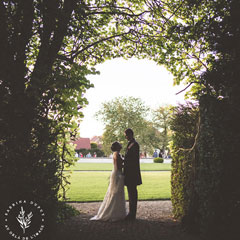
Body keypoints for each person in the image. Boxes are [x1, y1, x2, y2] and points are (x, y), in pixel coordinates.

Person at [90, 141, 126, 221]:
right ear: (117, 147)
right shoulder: (117, 154)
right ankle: (114, 212)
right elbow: (119, 165)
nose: (121, 145)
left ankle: (115, 211)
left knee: (116, 193)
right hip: (118, 174)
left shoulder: (116, 153)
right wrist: (126, 162)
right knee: (116, 192)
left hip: (117, 173)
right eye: (119, 144)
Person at [123, 128, 142, 221]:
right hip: (129, 172)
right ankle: (131, 213)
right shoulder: (130, 144)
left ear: (130, 134)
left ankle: (132, 214)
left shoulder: (135, 144)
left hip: (132, 173)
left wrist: (124, 161)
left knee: (132, 193)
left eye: (126, 135)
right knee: (131, 193)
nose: (125, 137)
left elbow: (132, 159)